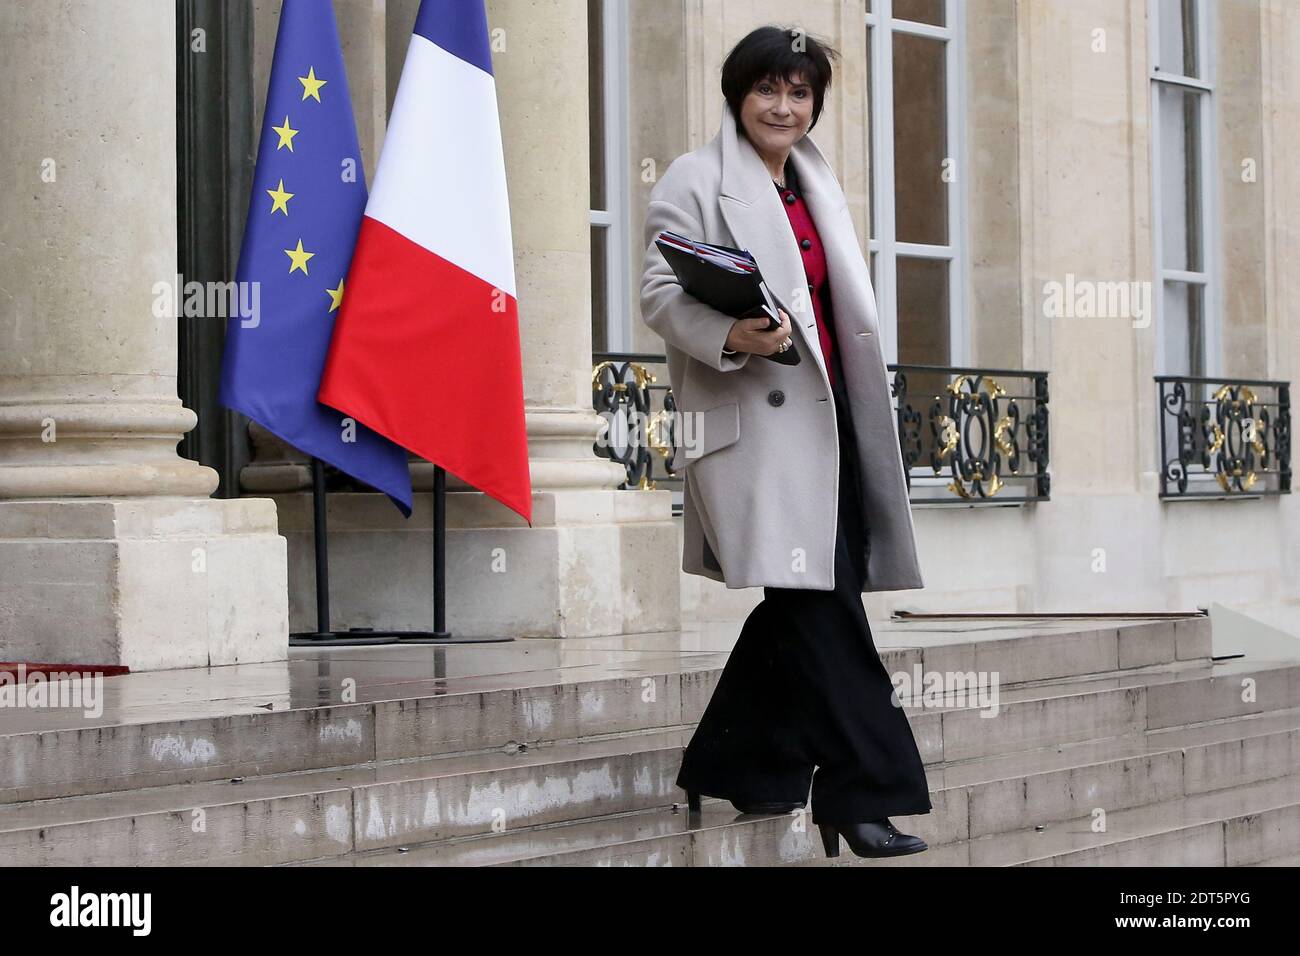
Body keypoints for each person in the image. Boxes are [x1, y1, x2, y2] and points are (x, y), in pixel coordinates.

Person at [638, 25, 931, 859]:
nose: (783, 105)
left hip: (835, 424)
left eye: (799, 93)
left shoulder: (815, 180)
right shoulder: (697, 179)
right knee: (825, 608)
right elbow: (660, 292)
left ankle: (740, 761)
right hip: (759, 433)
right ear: (738, 93)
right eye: (768, 88)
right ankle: (865, 789)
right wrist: (736, 333)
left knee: (802, 603)